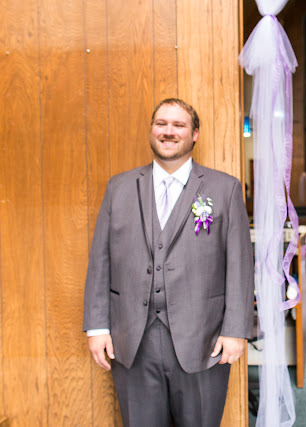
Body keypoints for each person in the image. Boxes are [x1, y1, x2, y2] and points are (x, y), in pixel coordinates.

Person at [83, 98, 254, 426]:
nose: (169, 132)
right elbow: (100, 260)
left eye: (179, 125)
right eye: (161, 124)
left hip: (205, 338)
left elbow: (240, 267)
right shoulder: (119, 188)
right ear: (151, 130)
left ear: (195, 134)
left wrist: (236, 330)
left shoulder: (224, 188)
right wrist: (97, 326)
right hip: (132, 340)